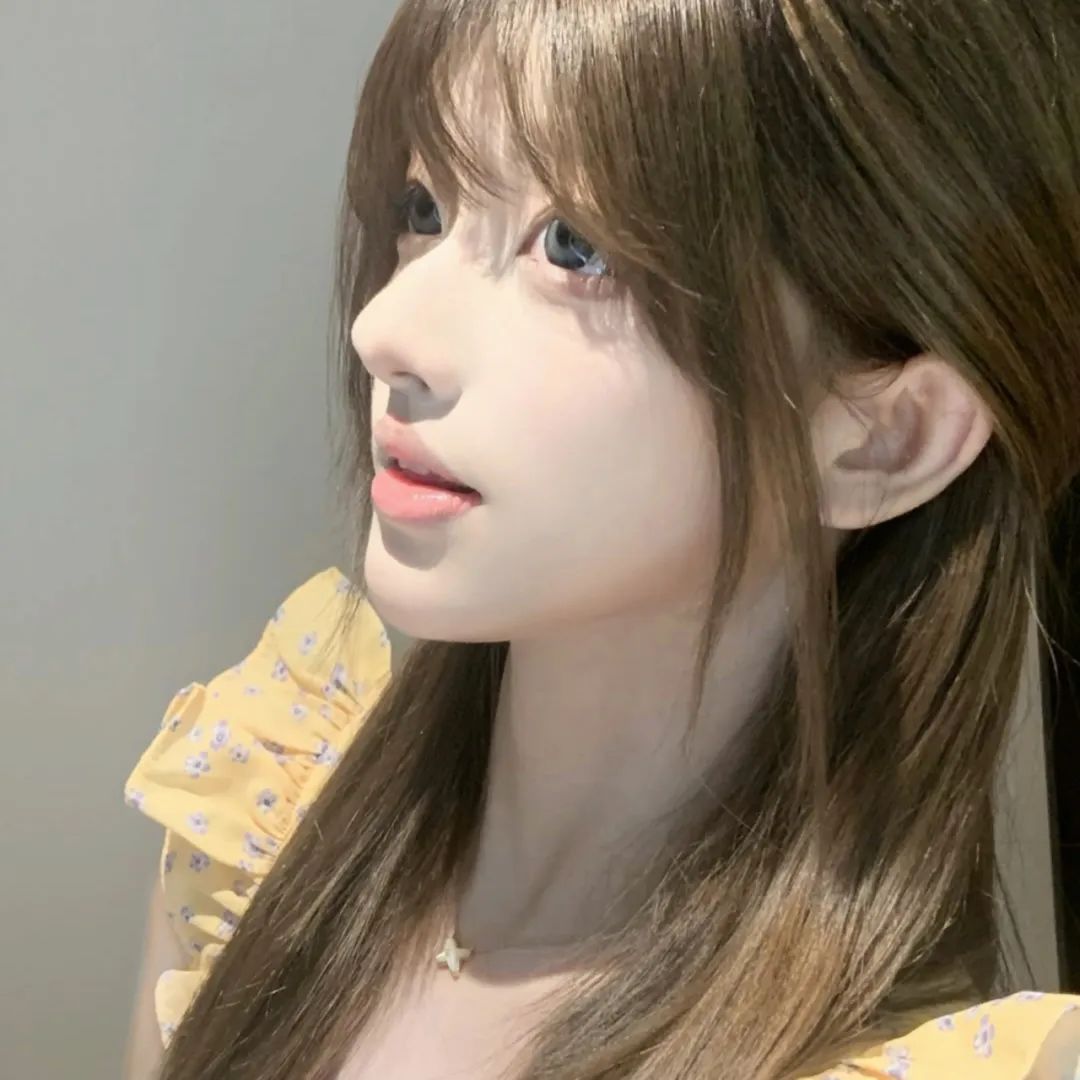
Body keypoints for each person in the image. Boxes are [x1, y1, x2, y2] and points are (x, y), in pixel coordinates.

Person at [122, 0, 1080, 1076]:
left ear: (886, 440)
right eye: (423, 208)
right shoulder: (256, 831)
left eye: (575, 246)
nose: (383, 328)